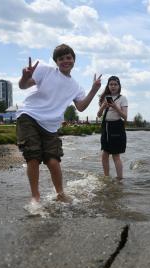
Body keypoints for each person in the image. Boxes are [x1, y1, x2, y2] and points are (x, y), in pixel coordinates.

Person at [17, 43, 102, 203]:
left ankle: (60, 194)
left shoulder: (75, 86)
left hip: (51, 125)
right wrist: (25, 76)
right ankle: (35, 196)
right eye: (61, 58)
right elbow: (23, 86)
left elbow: (81, 107)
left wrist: (94, 90)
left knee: (53, 160)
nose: (65, 61)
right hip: (29, 116)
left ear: (74, 60)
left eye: (68, 57)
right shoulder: (45, 70)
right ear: (56, 61)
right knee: (33, 157)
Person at [97, 76, 128, 179]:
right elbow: (98, 115)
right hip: (105, 126)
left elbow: (125, 117)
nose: (113, 86)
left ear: (119, 86)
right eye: (111, 84)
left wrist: (115, 107)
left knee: (115, 155)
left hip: (117, 127)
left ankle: (120, 178)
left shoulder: (123, 99)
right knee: (104, 153)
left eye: (115, 84)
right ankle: (106, 177)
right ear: (108, 86)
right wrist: (103, 106)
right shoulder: (104, 98)